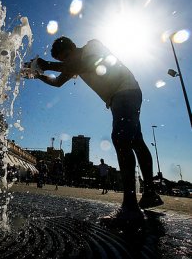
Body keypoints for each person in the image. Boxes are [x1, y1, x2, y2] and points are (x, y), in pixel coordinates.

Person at [24, 36, 163, 225]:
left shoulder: (92, 46)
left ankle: (130, 207)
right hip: (119, 98)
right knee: (137, 142)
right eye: (61, 61)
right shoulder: (74, 65)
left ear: (73, 48)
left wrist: (47, 64)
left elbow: (85, 64)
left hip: (125, 91)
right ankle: (150, 194)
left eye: (65, 57)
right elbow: (57, 82)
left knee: (121, 139)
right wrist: (38, 74)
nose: (64, 63)